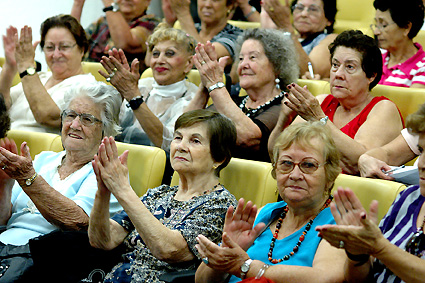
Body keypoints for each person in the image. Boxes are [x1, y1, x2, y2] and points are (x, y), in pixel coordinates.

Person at [88, 109, 238, 282]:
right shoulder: (159, 194)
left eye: (195, 141)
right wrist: (104, 191)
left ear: (219, 158)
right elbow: (103, 240)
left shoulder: (220, 204)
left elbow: (168, 249)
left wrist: (122, 189)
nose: (181, 146)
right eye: (178, 137)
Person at [195, 121, 345, 282]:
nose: (295, 175)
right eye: (286, 164)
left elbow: (326, 278)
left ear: (330, 175)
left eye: (308, 165)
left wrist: (246, 267)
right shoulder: (265, 214)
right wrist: (226, 251)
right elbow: (202, 281)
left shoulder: (340, 223)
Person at [0, 81, 122, 247]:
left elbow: (78, 222)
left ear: (106, 130)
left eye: (87, 119)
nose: (74, 125)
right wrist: (4, 185)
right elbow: (2, 220)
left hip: (46, 258)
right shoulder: (44, 159)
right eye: (70, 115)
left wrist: (28, 178)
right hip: (6, 247)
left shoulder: (105, 173)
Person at [268, 30, 404, 174]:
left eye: (350, 67)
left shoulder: (383, 108)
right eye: (335, 65)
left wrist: (319, 119)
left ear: (371, 75)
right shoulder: (321, 102)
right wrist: (284, 118)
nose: (338, 74)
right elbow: (276, 154)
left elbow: (359, 163)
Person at [316, 103, 425, 282]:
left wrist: (379, 248)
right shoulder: (408, 199)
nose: (421, 164)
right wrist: (357, 254)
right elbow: (359, 279)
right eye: (421, 151)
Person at [186, 28, 299, 162]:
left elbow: (248, 138)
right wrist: (205, 87)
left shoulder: (286, 106)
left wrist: (215, 86)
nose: (244, 64)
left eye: (252, 57)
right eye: (240, 58)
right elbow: (185, 127)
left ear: (277, 66)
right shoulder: (233, 101)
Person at [100, 23, 198, 153]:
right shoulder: (141, 85)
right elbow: (106, 128)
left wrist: (134, 98)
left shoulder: (194, 98)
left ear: (189, 63)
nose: (160, 60)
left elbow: (170, 146)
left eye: (169, 53)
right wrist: (120, 93)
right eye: (156, 54)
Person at [0, 15, 97, 134]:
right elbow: (2, 105)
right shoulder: (40, 77)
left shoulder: (87, 86)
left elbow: (48, 117)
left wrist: (26, 66)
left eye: (64, 47)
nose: (56, 55)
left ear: (82, 49)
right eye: (50, 47)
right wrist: (9, 68)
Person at [71, 0, 160, 73]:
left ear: (148, 1)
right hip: (86, 82)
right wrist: (78, 4)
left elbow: (125, 43)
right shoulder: (103, 21)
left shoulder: (152, 23)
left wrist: (109, 5)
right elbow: (72, 42)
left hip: (120, 88)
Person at [260, 0, 338, 79]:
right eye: (299, 8)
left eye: (313, 9)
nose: (304, 14)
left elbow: (310, 75)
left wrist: (286, 27)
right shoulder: (283, 36)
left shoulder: (331, 39)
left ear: (329, 20)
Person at [166, 0, 243, 68]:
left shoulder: (237, 35)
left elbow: (205, 58)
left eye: (215, 0)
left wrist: (183, 14)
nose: (207, 4)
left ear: (229, 5)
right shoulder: (193, 29)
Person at [372, 0, 425, 88]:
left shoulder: (422, 68)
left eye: (384, 25)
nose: (376, 32)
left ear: (406, 27)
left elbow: (413, 101)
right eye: (376, 25)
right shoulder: (374, 58)